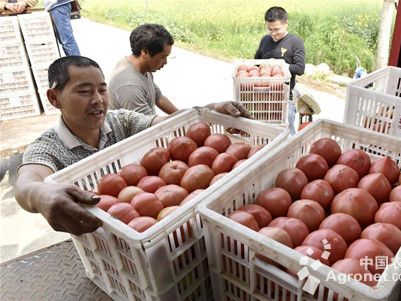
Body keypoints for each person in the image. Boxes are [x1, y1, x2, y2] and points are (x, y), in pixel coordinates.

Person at [14, 56, 251, 236]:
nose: (98, 99)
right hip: (99, 235)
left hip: (150, 230)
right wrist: (38, 193)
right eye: (84, 91)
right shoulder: (48, 146)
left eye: (102, 90)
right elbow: (27, 181)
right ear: (54, 98)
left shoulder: (120, 121)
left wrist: (210, 109)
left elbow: (171, 124)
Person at [108, 24, 179, 116]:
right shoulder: (129, 85)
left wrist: (184, 116)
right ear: (144, 52)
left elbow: (159, 98)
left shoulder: (142, 68)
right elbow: (148, 125)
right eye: (163, 57)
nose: (165, 62)